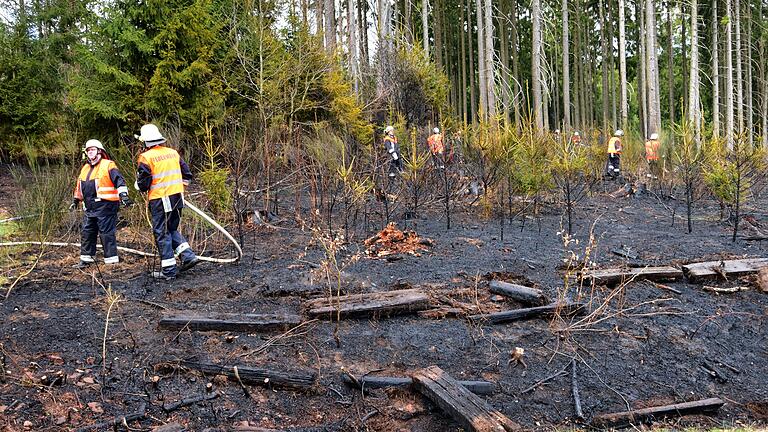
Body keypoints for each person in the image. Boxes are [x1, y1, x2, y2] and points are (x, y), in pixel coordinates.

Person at [136, 124, 199, 280]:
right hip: (177, 197)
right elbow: (187, 175)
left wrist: (138, 185)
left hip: (160, 199)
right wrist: (177, 188)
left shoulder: (146, 157)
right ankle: (188, 256)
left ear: (145, 142)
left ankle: (169, 270)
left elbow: (144, 185)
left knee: (162, 233)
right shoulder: (172, 153)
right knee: (171, 229)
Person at [70, 140, 132, 268]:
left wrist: (124, 195)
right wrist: (75, 200)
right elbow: (79, 186)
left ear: (100, 151)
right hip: (90, 207)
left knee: (106, 233)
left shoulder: (108, 165)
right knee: (87, 232)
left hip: (106, 206)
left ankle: (111, 262)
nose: (90, 152)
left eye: (92, 149)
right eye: (88, 150)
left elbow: (119, 181)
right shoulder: (85, 168)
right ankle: (86, 260)